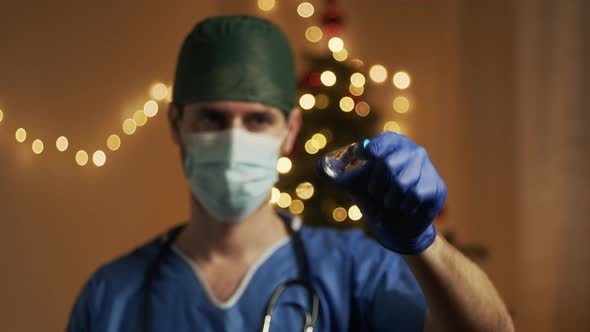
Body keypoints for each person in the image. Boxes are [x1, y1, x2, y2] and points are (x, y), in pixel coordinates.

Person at [66, 15, 514, 332]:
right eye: (212, 119)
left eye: (257, 119)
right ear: (176, 125)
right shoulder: (112, 295)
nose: (234, 137)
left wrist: (425, 247)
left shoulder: (355, 270)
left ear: (290, 131)